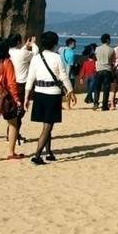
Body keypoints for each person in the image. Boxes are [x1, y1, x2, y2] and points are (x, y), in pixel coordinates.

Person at [26, 31, 76, 165]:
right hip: (52, 94)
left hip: (39, 93)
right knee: (48, 125)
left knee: (47, 124)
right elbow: (63, 76)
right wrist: (71, 91)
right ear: (54, 44)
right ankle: (37, 156)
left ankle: (49, 153)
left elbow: (30, 78)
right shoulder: (57, 57)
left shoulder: (36, 57)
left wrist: (26, 97)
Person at [8, 33, 35, 144]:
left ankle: (11, 134)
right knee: (20, 111)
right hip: (22, 84)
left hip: (11, 84)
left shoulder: (9, 52)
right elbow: (35, 54)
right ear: (19, 42)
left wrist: (25, 46)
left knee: (13, 111)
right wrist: (33, 44)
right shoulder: (22, 53)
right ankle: (14, 135)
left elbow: (21, 53)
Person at [93, 33, 115, 110]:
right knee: (106, 88)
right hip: (107, 70)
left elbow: (95, 58)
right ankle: (104, 105)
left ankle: (95, 103)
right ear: (107, 40)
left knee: (97, 88)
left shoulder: (97, 49)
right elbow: (113, 61)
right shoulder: (111, 49)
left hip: (99, 69)